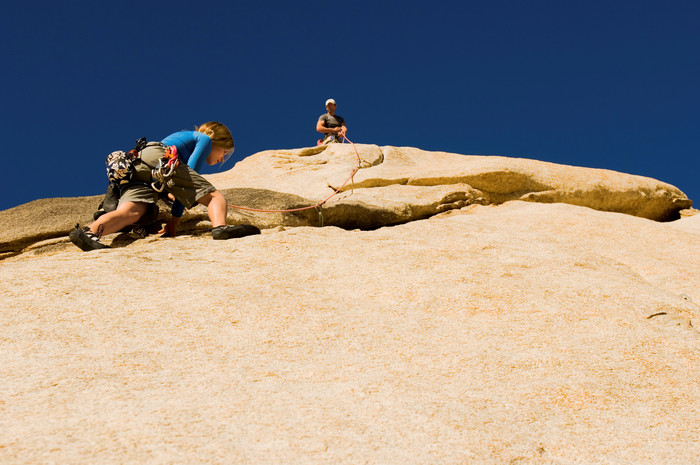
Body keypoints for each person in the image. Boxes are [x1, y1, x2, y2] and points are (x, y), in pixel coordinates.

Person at [69, 121, 259, 251]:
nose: (221, 159)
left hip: (139, 166)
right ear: (217, 140)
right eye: (224, 152)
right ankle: (220, 228)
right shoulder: (204, 139)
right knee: (215, 197)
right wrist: (175, 220)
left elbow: (177, 186)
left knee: (131, 212)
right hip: (162, 159)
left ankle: (89, 233)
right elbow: (190, 172)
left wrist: (173, 220)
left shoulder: (180, 137)